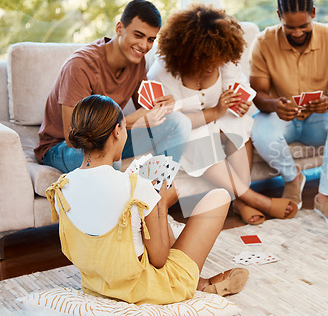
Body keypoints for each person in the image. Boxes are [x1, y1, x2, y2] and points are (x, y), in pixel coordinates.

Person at [46, 95, 249, 305]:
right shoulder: (134, 186)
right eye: (125, 128)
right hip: (145, 289)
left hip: (97, 284)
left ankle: (201, 283)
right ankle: (197, 284)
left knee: (142, 227)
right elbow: (160, 260)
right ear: (117, 131)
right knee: (220, 196)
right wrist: (161, 203)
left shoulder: (61, 187)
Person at [148, 4, 298, 225]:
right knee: (196, 139)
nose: (212, 67)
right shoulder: (163, 72)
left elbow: (239, 89)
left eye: (216, 60)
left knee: (238, 123)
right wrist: (215, 111)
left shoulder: (223, 59)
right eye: (204, 61)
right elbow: (173, 123)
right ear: (186, 55)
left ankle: (239, 201)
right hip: (181, 129)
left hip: (217, 118)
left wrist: (241, 104)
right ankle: (255, 199)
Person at [35, 0, 191, 173]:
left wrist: (160, 107)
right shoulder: (80, 66)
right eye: (138, 36)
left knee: (179, 122)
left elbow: (145, 111)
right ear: (119, 29)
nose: (144, 45)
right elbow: (74, 138)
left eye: (150, 39)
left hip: (111, 136)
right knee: (107, 153)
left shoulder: (137, 62)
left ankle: (157, 191)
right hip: (63, 147)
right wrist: (126, 122)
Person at [249, 0, 328, 227]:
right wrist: (275, 104)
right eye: (290, 27)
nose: (297, 32)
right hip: (281, 118)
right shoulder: (263, 42)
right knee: (258, 128)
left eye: (303, 25)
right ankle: (292, 178)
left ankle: (325, 197)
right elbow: (258, 96)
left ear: (314, 13)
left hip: (317, 120)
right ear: (279, 16)